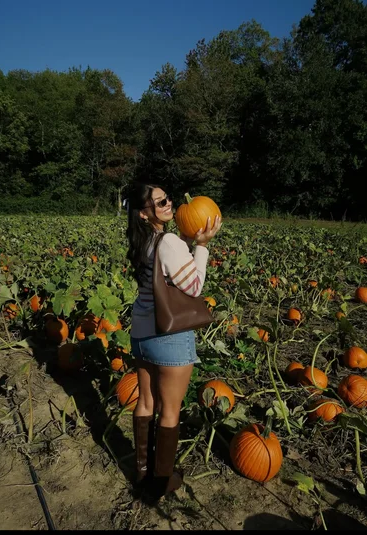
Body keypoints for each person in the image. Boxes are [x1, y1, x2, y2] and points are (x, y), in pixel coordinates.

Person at [126, 182, 222, 500]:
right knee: (170, 411)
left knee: (145, 402)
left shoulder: (142, 241)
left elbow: (161, 278)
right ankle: (160, 483)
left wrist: (185, 243)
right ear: (144, 213)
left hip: (140, 335)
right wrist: (203, 245)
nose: (169, 204)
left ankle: (142, 472)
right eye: (160, 202)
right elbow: (193, 288)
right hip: (169, 337)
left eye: (167, 199)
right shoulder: (168, 241)